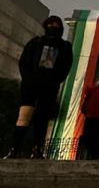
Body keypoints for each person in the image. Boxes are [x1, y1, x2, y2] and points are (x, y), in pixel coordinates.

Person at [4, 16, 73, 159]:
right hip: (30, 86)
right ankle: (15, 148)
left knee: (42, 119)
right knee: (24, 117)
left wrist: (55, 80)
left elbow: (65, 67)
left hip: (49, 87)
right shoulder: (36, 42)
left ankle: (37, 149)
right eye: (51, 24)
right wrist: (29, 79)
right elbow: (24, 62)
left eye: (56, 25)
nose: (53, 27)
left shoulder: (65, 47)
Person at [79, 78, 99, 160]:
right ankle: (95, 155)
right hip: (96, 117)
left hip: (95, 117)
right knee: (94, 139)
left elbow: (85, 103)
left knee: (91, 138)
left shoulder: (93, 90)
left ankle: (94, 155)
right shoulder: (94, 90)